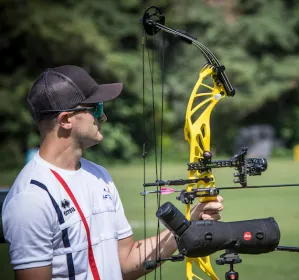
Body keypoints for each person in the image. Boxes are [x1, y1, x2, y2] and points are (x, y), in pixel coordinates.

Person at [1, 65, 224, 280]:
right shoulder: (30, 198)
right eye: (96, 108)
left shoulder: (100, 176)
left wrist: (188, 223)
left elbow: (126, 263)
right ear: (66, 120)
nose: (103, 117)